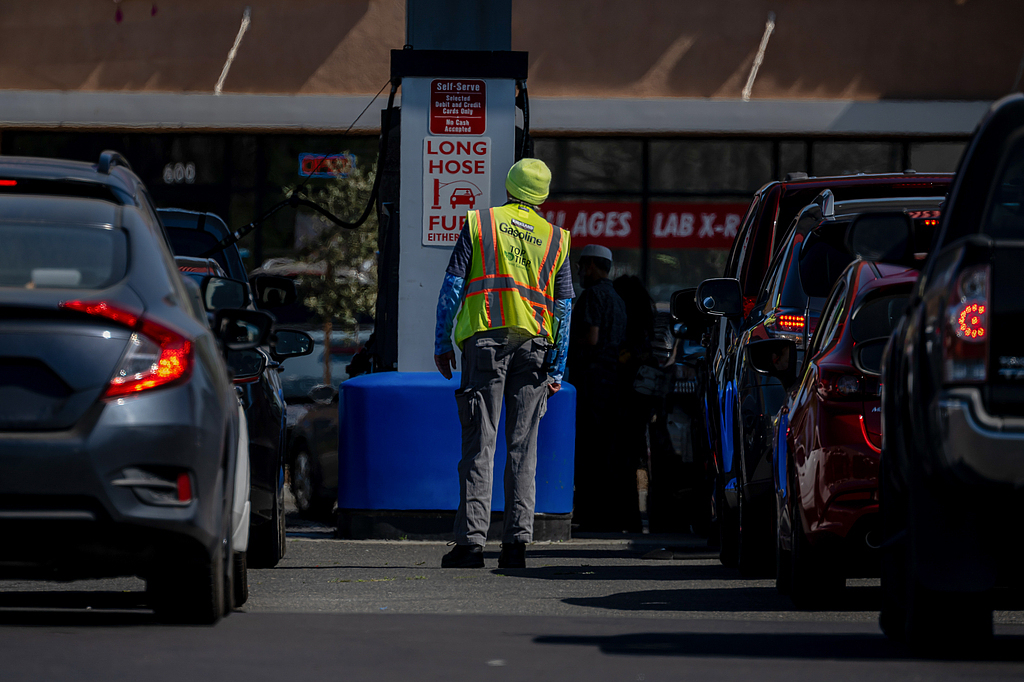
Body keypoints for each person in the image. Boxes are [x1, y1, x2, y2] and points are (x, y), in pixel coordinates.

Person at [433, 158, 574, 569]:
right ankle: (516, 545)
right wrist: (558, 367)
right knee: (523, 446)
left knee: (481, 440)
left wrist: (442, 340)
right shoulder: (556, 239)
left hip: (485, 343)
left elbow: (453, 286)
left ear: (510, 186)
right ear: (543, 196)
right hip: (535, 347)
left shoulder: (481, 224)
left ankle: (471, 545)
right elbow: (564, 307)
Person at [567, 244, 626, 531]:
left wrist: (564, 343)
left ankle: (588, 513)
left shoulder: (591, 296)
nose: (578, 271)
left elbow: (590, 338)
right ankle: (604, 513)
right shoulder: (616, 298)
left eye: (581, 266)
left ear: (591, 265)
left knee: (588, 450)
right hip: (611, 380)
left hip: (590, 381)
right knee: (604, 450)